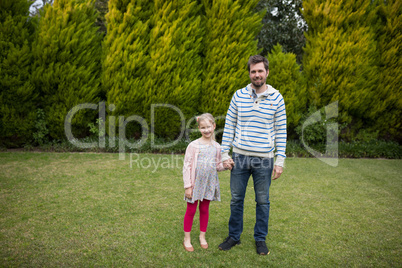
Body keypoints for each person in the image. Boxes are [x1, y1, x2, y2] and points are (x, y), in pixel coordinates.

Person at [218, 55, 287, 255]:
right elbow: (229, 125)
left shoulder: (277, 98)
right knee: (236, 199)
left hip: (264, 159)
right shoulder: (238, 95)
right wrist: (225, 154)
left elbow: (281, 130)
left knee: (263, 201)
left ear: (267, 72)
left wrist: (280, 161)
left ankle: (260, 239)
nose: (256, 74)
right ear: (249, 73)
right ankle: (234, 236)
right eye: (253, 71)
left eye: (260, 71)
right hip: (239, 157)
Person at [182, 113, 227, 252]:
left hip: (209, 184)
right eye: (203, 128)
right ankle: (187, 238)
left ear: (214, 126)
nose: (206, 130)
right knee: (191, 210)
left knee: (204, 209)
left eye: (208, 127)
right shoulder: (194, 145)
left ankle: (202, 236)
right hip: (195, 184)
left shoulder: (217, 147)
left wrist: (226, 166)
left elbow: (217, 166)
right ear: (199, 128)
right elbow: (187, 166)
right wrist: (188, 186)